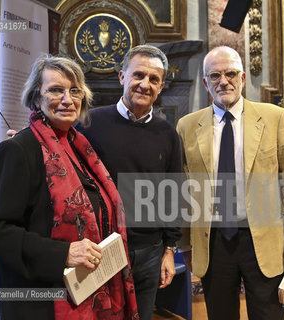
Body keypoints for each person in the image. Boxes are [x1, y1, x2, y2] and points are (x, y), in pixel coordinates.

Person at [0, 54, 138, 320]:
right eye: (55, 90)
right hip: (43, 304)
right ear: (36, 98)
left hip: (90, 295)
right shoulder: (17, 150)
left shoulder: (81, 148)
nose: (67, 99)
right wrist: (64, 253)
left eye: (74, 91)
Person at [176, 46, 284, 319]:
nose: (223, 81)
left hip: (264, 241)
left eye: (230, 74)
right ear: (205, 82)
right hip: (213, 243)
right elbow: (183, 192)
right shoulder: (186, 126)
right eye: (214, 75)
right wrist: (186, 245)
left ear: (243, 77)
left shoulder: (274, 117)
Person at [76, 45, 182, 320]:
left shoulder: (168, 133)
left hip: (149, 252)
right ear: (122, 77)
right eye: (138, 75)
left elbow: (173, 196)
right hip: (100, 248)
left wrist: (169, 250)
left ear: (161, 87)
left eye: (154, 79)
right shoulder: (88, 123)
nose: (145, 84)